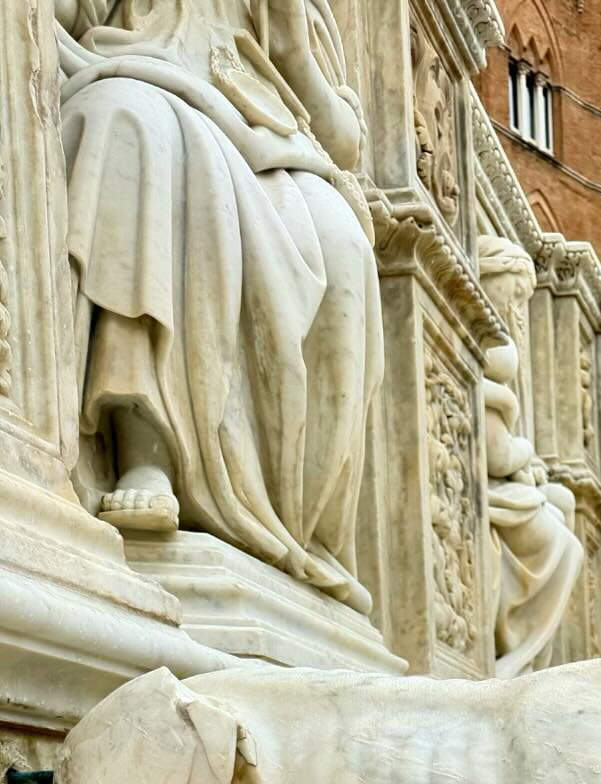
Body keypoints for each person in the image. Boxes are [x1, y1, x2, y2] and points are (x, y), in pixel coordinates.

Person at [55, 0, 383, 613]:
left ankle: (301, 521)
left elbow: (342, 140)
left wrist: (293, 51)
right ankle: (147, 449)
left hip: (272, 138)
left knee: (342, 244)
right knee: (129, 121)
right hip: (147, 79)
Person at [474, 238, 582, 677]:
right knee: (566, 547)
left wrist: (527, 464)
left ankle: (530, 656)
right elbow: (498, 455)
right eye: (515, 296)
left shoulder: (493, 364)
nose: (518, 310)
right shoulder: (488, 363)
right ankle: (518, 657)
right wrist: (521, 459)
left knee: (563, 502)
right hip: (492, 487)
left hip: (502, 484)